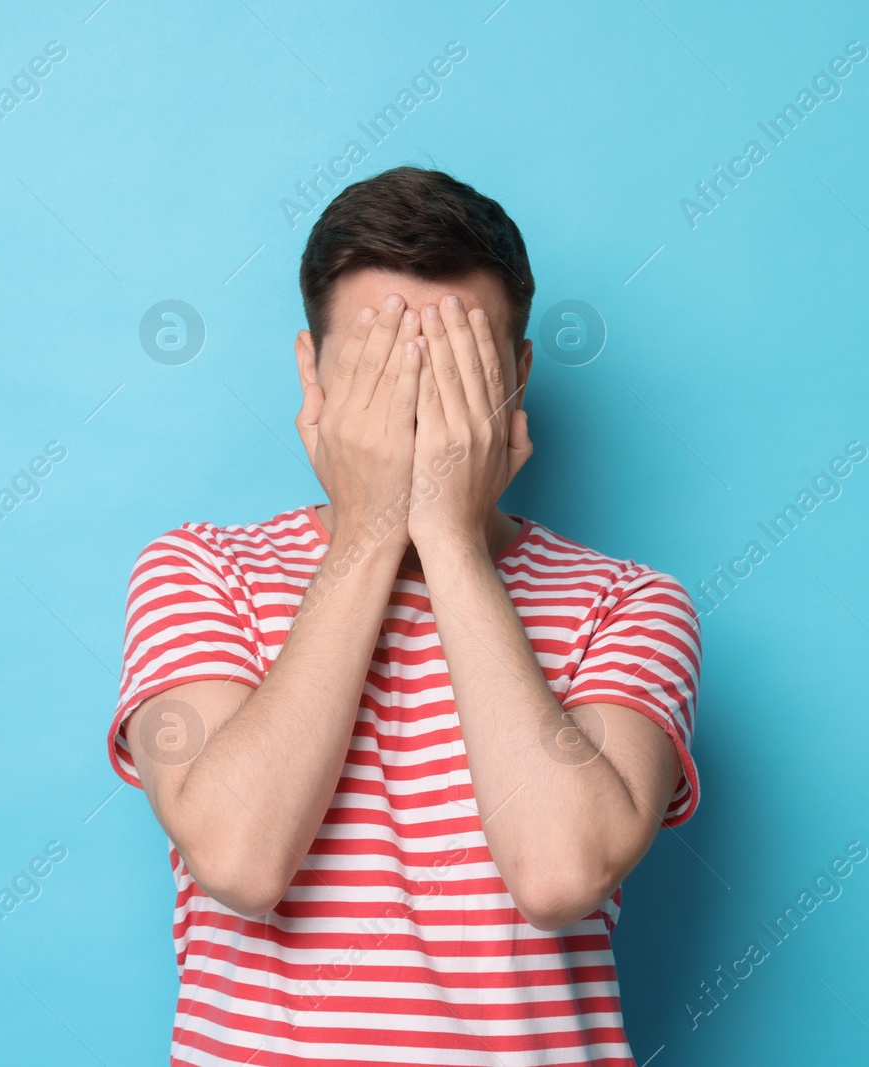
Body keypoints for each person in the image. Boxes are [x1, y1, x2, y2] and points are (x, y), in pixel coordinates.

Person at [110, 166, 702, 1066]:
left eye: (459, 371)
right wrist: (371, 534)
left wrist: (452, 542)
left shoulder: (630, 603)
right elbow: (240, 857)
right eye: (379, 370)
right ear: (311, 375)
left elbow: (560, 875)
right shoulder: (200, 571)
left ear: (517, 377)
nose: (417, 407)